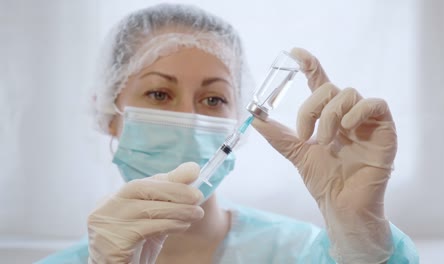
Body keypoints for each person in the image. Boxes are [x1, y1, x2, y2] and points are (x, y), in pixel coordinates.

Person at [37, 3, 419, 264]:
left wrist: (363, 239)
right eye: (159, 93)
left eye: (213, 99)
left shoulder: (302, 252)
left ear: (239, 118)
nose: (189, 115)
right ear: (108, 112)